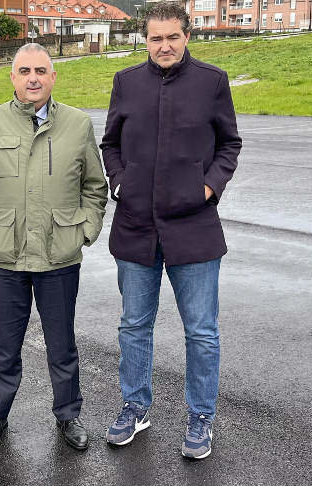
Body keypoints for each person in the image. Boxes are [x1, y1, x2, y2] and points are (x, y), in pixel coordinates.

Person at [100, 1, 242, 459]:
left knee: (201, 331)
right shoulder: (126, 83)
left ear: (187, 36)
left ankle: (201, 416)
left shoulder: (212, 82)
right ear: (145, 40)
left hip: (195, 227)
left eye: (172, 37)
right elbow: (110, 143)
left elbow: (229, 144)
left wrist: (208, 188)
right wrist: (120, 181)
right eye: (155, 38)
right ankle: (135, 407)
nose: (164, 45)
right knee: (133, 325)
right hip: (136, 226)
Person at [0, 43, 108, 452]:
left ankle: (69, 414)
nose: (33, 78)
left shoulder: (77, 124)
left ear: (54, 77)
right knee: (4, 343)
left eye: (41, 70)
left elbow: (96, 187)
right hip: (5, 255)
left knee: (62, 343)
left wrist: (84, 231)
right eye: (24, 71)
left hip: (59, 256)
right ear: (13, 78)